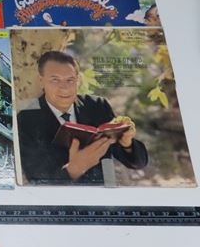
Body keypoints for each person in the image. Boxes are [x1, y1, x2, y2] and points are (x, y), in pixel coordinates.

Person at [17, 51, 148, 185]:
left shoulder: (97, 106)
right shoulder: (26, 121)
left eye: (70, 80)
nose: (64, 88)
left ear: (78, 80)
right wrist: (75, 168)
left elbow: (138, 163)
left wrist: (127, 143)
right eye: (55, 80)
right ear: (41, 81)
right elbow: (36, 179)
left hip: (101, 193)